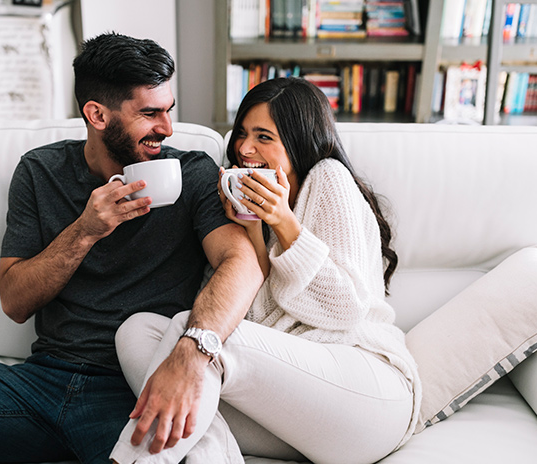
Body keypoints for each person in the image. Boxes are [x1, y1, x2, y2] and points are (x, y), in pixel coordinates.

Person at [0, 33, 263, 464]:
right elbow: (15, 302)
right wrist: (85, 230)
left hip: (129, 388)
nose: (166, 128)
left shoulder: (192, 173)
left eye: (168, 110)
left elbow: (240, 262)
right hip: (42, 383)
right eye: (149, 114)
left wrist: (190, 354)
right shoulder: (41, 171)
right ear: (96, 114)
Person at [109, 77, 422, 464]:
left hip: (365, 396)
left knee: (198, 333)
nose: (244, 148)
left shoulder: (327, 178)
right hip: (291, 416)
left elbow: (346, 311)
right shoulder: (240, 208)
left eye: (263, 136)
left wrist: (286, 223)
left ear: (298, 141)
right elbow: (257, 323)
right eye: (241, 134)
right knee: (137, 331)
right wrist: (253, 230)